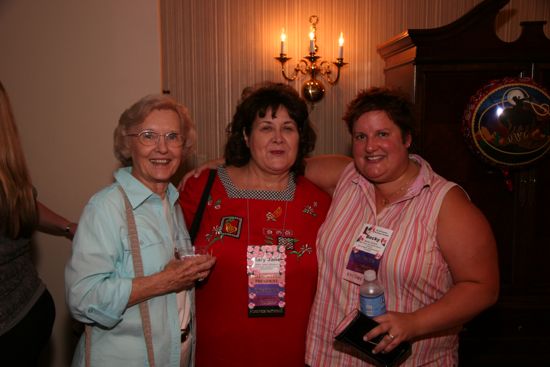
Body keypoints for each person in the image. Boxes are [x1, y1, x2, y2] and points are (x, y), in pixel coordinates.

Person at [304, 87, 500, 366]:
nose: (370, 146)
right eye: (361, 136)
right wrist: (222, 168)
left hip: (412, 360)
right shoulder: (346, 178)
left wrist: (414, 323)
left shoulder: (445, 205)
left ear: (407, 138)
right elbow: (272, 163)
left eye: (382, 134)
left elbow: (482, 287)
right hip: (331, 357)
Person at [179, 82, 331, 367]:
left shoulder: (322, 202)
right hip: (214, 355)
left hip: (296, 355)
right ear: (246, 137)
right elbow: (164, 263)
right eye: (265, 127)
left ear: (300, 137)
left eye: (288, 128)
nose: (278, 138)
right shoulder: (201, 190)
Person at [65, 94, 216, 367]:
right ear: (128, 143)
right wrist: (163, 281)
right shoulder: (106, 207)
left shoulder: (172, 202)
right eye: (149, 136)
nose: (162, 148)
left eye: (173, 137)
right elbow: (82, 298)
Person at [0, 81, 77, 366]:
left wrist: (69, 226)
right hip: (31, 310)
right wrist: (67, 226)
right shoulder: (7, 169)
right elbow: (22, 203)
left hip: (12, 325)